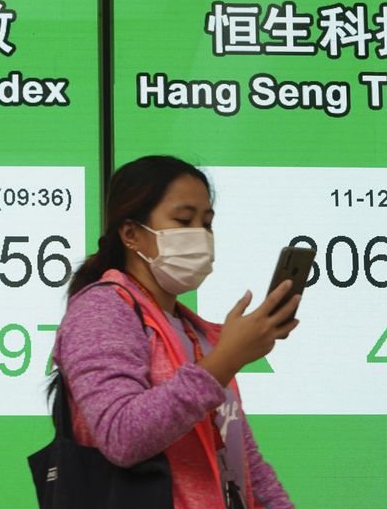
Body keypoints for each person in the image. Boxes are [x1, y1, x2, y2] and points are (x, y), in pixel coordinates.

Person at [50, 155, 300, 509]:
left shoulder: (193, 331)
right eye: (183, 220)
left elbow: (244, 463)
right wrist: (226, 360)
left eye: (207, 224)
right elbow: (120, 435)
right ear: (131, 233)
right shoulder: (102, 309)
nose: (199, 235)